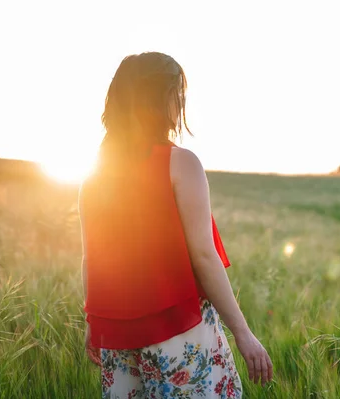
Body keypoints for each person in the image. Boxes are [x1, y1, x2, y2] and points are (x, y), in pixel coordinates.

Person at [78, 51, 273, 398]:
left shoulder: (94, 174)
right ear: (156, 98)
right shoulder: (180, 164)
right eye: (177, 92)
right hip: (178, 331)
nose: (182, 101)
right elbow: (203, 255)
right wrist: (242, 332)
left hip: (117, 337)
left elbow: (90, 257)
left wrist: (93, 321)